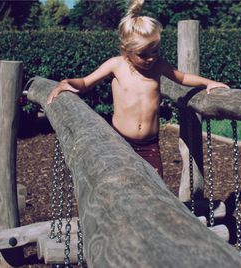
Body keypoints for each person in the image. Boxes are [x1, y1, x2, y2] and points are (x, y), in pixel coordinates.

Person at [46, 0, 229, 179]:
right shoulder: (116, 65)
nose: (150, 59)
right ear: (126, 50)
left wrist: (208, 82)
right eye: (143, 54)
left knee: (155, 187)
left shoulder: (159, 66)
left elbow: (182, 77)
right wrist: (67, 82)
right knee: (122, 186)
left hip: (150, 144)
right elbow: (86, 83)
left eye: (155, 52)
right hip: (120, 141)